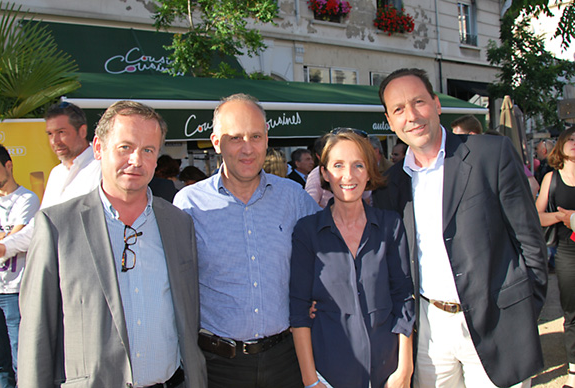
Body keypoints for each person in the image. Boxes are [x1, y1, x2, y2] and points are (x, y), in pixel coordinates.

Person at [372, 68, 547, 388]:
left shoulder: (490, 155)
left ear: (437, 104)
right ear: (389, 120)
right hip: (429, 332)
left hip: (496, 322)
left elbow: (529, 240)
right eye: (398, 109)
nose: (411, 115)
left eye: (418, 102)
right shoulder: (390, 185)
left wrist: (523, 311)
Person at [17, 101, 206, 388]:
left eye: (147, 150)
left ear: (157, 158)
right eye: (125, 147)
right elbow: (37, 333)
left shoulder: (179, 225)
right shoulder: (56, 226)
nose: (136, 160)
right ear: (98, 148)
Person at [173, 93, 320, 388]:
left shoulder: (294, 198)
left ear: (267, 139)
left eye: (255, 136)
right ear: (216, 142)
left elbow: (325, 255)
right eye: (235, 138)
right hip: (218, 367)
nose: (247, 148)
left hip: (286, 361)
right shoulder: (189, 204)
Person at [290, 130, 415, 388]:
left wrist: (405, 368)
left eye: (358, 165)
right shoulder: (307, 232)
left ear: (370, 171)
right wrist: (310, 380)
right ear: (324, 173)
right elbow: (299, 309)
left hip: (388, 372)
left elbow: (403, 297)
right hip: (329, 374)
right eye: (338, 166)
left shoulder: (390, 225)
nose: (348, 176)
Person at [0, 101, 102, 262]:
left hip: (91, 266)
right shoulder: (56, 174)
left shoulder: (101, 168)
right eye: (50, 134)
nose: (55, 141)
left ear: (82, 131)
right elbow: (42, 224)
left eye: (61, 132)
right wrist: (4, 248)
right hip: (58, 270)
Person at [0, 144, 39, 388]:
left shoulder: (27, 199)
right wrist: (6, 235)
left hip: (15, 291)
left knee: (20, 359)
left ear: (8, 165)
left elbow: (17, 236)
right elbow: (10, 236)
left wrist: (6, 237)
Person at [535, 127, 575, 388]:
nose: (574, 144)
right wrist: (563, 217)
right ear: (560, 145)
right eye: (570, 139)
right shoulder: (552, 178)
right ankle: (573, 371)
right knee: (571, 313)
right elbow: (535, 216)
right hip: (567, 254)